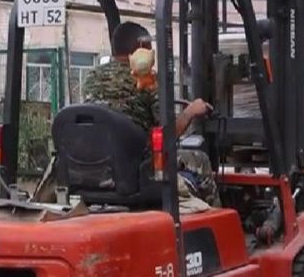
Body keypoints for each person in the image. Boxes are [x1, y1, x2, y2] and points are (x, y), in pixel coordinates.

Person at [83, 21, 217, 206]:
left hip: (97, 167)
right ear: (141, 49)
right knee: (200, 160)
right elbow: (167, 134)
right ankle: (214, 219)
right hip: (136, 168)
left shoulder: (91, 78)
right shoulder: (148, 81)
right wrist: (190, 112)